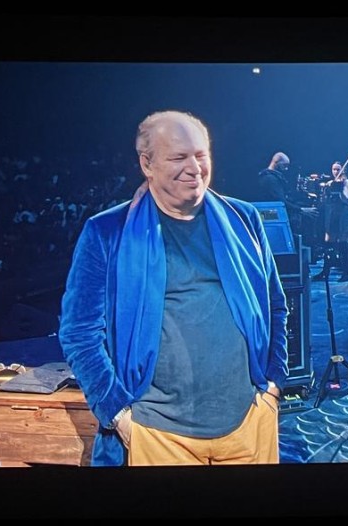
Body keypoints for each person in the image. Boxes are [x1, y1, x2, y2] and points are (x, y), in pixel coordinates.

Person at [59, 110, 289, 466]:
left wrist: (274, 383)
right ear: (147, 164)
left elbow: (276, 305)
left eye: (201, 155)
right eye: (179, 157)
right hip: (156, 435)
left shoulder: (245, 219)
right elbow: (79, 332)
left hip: (249, 423)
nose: (194, 168)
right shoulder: (106, 232)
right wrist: (117, 414)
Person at [312, 161, 348, 282]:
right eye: (334, 169)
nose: (335, 172)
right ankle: (325, 271)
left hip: (342, 215)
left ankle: (346, 272)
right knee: (328, 243)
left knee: (342, 242)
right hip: (331, 214)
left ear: (343, 170)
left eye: (338, 169)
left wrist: (337, 186)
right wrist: (327, 187)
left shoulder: (346, 182)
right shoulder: (330, 182)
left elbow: (344, 197)